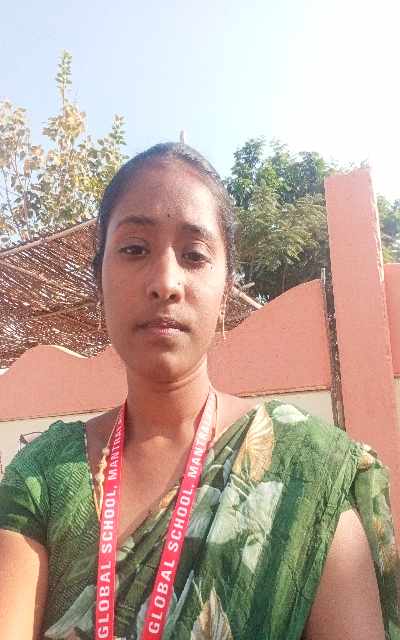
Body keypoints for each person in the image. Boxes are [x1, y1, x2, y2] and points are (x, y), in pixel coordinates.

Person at [0, 142, 398, 640]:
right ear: (99, 279)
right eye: (134, 249)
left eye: (194, 255)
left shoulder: (308, 473)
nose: (165, 282)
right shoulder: (43, 475)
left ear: (226, 288)